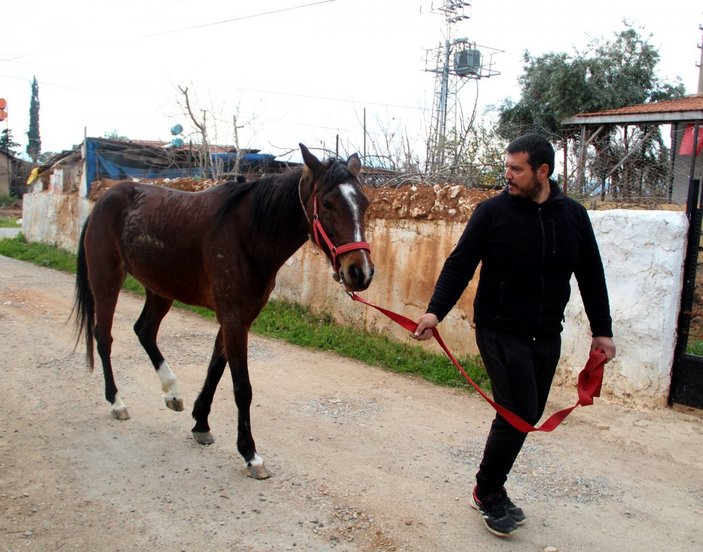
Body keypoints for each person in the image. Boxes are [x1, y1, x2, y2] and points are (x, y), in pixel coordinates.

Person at [411, 133, 616, 538]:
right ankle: (487, 491)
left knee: (529, 414)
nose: (507, 175)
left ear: (542, 171)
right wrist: (436, 311)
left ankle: (492, 485)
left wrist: (603, 331)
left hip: (545, 333)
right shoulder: (492, 213)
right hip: (498, 329)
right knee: (517, 410)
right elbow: (460, 264)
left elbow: (591, 274)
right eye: (506, 167)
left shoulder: (573, 216)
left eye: (516, 168)